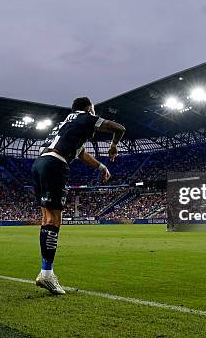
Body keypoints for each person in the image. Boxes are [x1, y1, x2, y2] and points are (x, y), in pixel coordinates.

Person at [31, 97, 126, 295]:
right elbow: (119, 128)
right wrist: (114, 145)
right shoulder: (87, 118)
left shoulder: (64, 124)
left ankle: (45, 271)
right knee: (54, 220)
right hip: (55, 164)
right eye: (93, 109)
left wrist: (101, 166)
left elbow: (81, 153)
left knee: (45, 218)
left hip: (39, 164)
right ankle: (47, 274)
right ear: (89, 109)